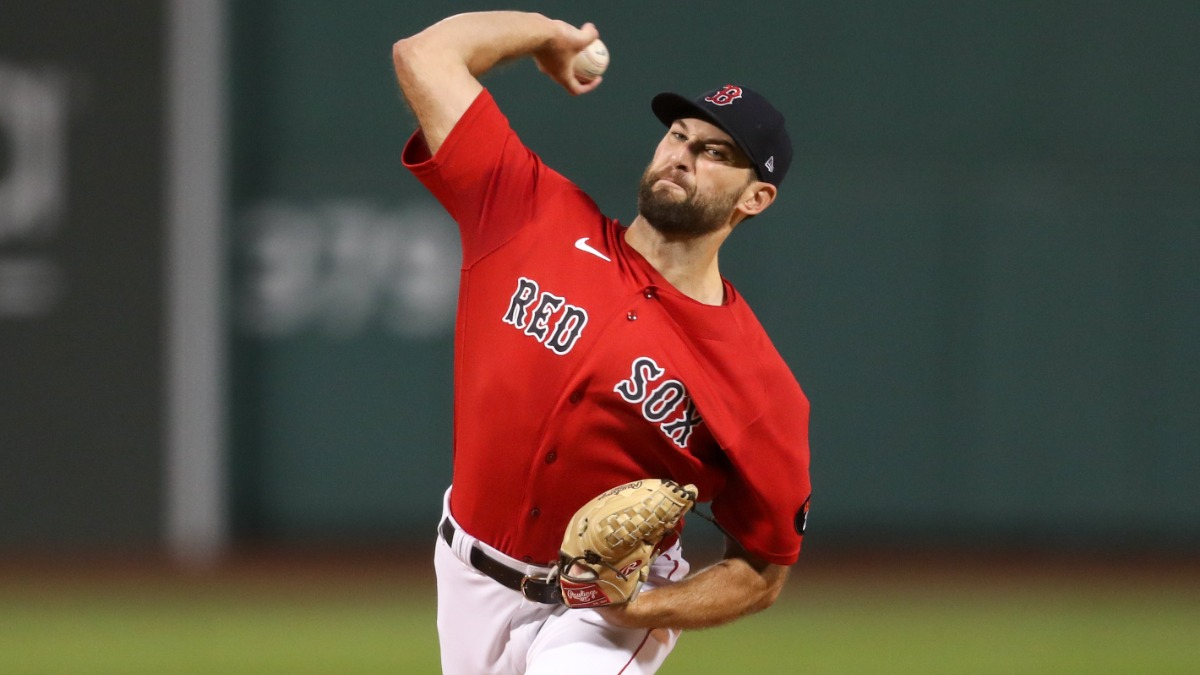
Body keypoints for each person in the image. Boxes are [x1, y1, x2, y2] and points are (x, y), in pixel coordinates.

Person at [392, 11, 812, 675]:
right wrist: (545, 33)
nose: (681, 154)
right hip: (466, 572)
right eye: (679, 134)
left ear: (756, 197)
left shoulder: (759, 384)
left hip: (601, 613)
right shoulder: (529, 213)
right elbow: (424, 56)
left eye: (715, 152)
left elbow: (762, 568)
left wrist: (640, 610)